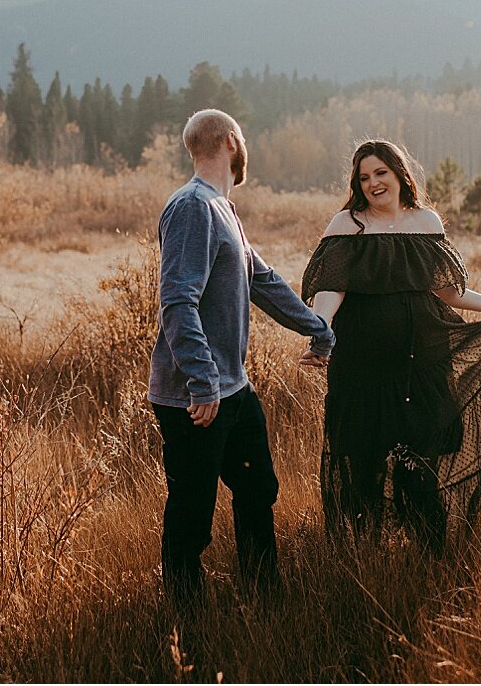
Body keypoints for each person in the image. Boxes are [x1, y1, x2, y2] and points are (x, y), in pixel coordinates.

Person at [299, 140, 481, 553]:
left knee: (422, 465)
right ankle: (361, 559)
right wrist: (320, 334)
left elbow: (448, 292)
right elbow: (330, 292)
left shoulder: (426, 222)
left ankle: (431, 557)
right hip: (362, 367)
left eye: (381, 173)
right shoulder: (346, 225)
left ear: (398, 173)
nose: (373, 183)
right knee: (364, 464)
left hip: (422, 363)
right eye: (364, 177)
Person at [150, 108, 335, 607]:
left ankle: (264, 596)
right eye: (243, 137)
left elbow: (264, 281)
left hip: (233, 389)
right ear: (231, 141)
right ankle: (185, 619)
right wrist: (203, 382)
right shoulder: (193, 207)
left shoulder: (223, 210)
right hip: (196, 397)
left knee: (258, 491)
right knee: (192, 514)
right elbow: (177, 301)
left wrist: (319, 329)